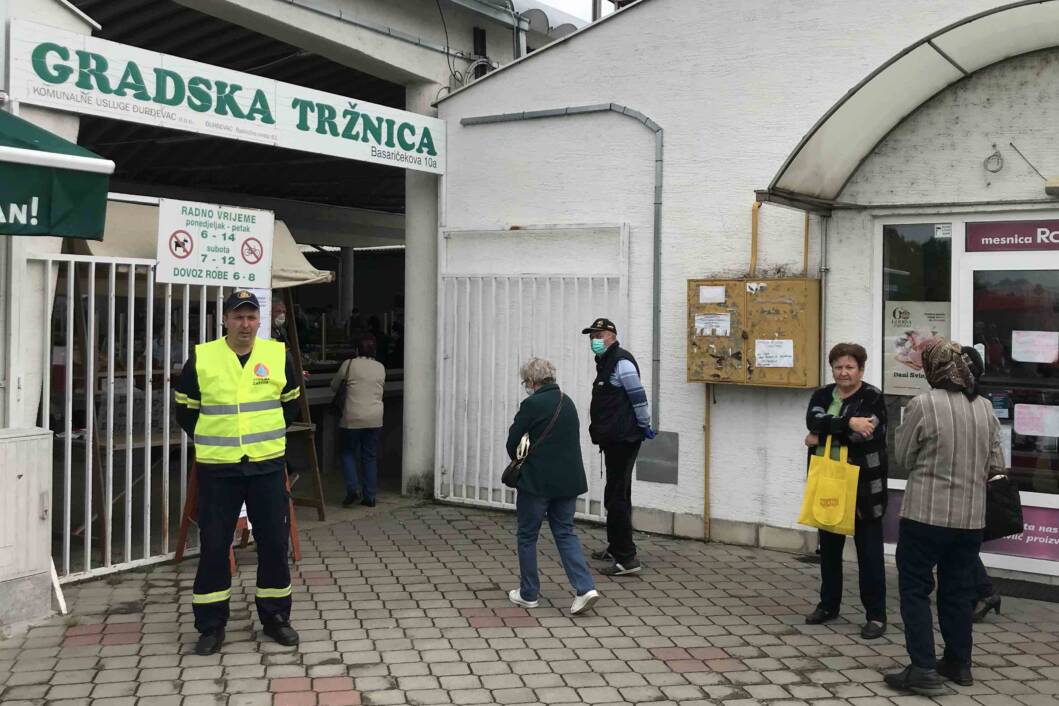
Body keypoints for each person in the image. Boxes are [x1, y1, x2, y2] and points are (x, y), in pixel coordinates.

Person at [174, 290, 302, 656]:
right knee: (215, 546)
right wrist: (218, 440)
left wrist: (266, 438)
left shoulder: (278, 356)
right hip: (219, 469)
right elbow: (186, 412)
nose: (244, 324)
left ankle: (276, 618)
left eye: (250, 317)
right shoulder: (202, 358)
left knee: (274, 544)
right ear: (225, 320)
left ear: (259, 321)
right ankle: (211, 626)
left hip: (266, 465)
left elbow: (290, 405)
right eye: (237, 317)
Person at [885, 339, 1004, 695]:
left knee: (916, 589)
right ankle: (958, 663)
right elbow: (996, 464)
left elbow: (904, 457)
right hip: (970, 519)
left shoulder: (923, 404)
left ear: (935, 369)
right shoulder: (985, 407)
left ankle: (922, 668)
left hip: (926, 515)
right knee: (957, 591)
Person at [803, 343, 889, 639]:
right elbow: (813, 419)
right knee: (828, 550)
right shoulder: (823, 394)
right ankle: (828, 605)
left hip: (864, 486)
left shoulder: (873, 396)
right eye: (838, 367)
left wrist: (824, 433)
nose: (843, 372)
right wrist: (846, 422)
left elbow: (864, 433)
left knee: (869, 554)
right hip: (828, 482)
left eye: (850, 367)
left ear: (861, 370)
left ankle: (876, 615)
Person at [506, 357, 600, 615]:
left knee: (527, 536)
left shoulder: (531, 404)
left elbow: (513, 443)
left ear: (533, 381)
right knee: (565, 532)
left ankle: (528, 593)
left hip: (537, 483)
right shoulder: (566, 401)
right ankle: (585, 588)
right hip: (568, 482)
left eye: (526, 381)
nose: (526, 386)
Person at [582, 317, 656, 576]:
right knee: (615, 493)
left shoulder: (621, 361)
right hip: (614, 439)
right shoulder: (606, 361)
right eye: (592, 336)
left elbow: (637, 395)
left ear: (612, 336)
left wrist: (644, 423)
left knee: (618, 497)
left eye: (599, 335)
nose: (595, 341)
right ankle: (616, 547)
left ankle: (627, 559)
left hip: (624, 439)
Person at [961, 345, 1003, 622]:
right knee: (959, 545)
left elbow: (995, 447)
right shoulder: (958, 400)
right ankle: (982, 591)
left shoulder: (980, 405)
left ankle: (985, 592)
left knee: (959, 545)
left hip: (969, 483)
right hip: (963, 481)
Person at [330, 334, 386, 508]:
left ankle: (353, 489)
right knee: (369, 456)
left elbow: (334, 385)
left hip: (352, 418)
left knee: (347, 452)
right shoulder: (380, 367)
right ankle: (370, 496)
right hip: (375, 418)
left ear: (356, 349)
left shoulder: (349, 364)